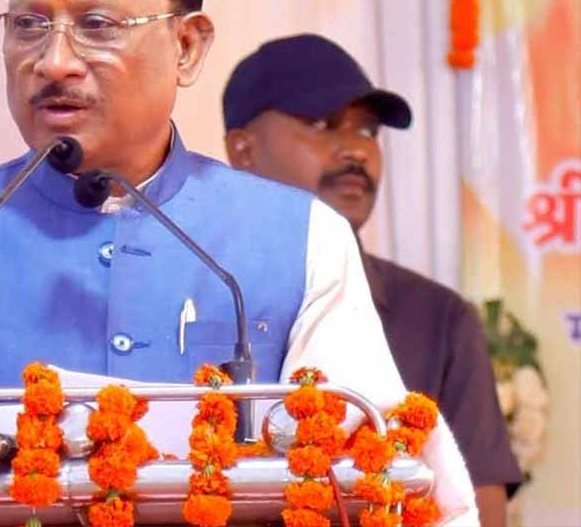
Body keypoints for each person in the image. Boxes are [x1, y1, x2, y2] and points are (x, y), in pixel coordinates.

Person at [0, 0, 478, 523]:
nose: (54, 61)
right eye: (28, 24)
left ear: (187, 47)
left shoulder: (302, 239)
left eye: (96, 25)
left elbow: (370, 481)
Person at [222, 33, 521, 527]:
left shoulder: (438, 319)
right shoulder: (196, 298)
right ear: (244, 150)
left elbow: (478, 506)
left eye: (368, 131)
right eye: (322, 124)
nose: (357, 150)